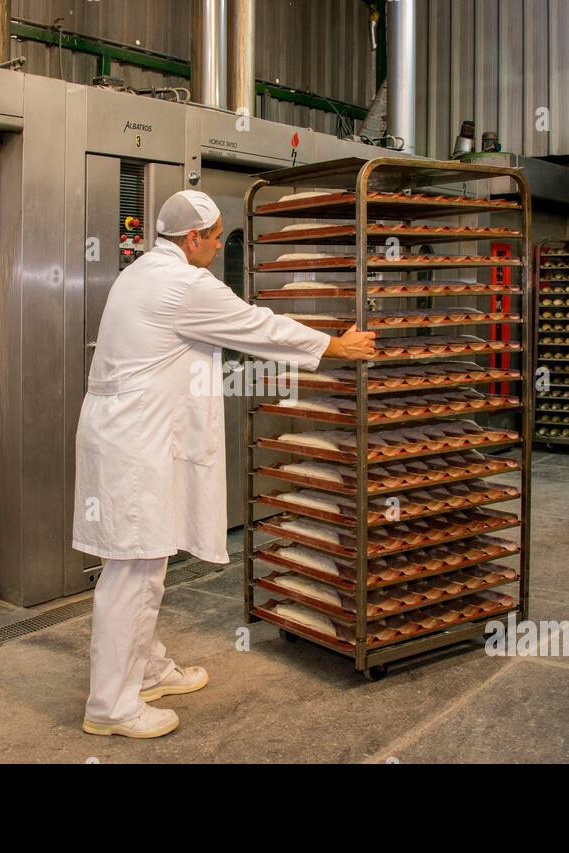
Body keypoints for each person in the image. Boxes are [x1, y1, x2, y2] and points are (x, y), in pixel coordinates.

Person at [74, 190, 376, 738]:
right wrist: (336, 346)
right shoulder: (184, 284)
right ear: (193, 238)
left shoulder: (144, 271)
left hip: (130, 436)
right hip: (135, 445)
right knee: (134, 571)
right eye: (215, 239)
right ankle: (111, 706)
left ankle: (146, 670)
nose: (217, 247)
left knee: (145, 564)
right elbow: (256, 326)